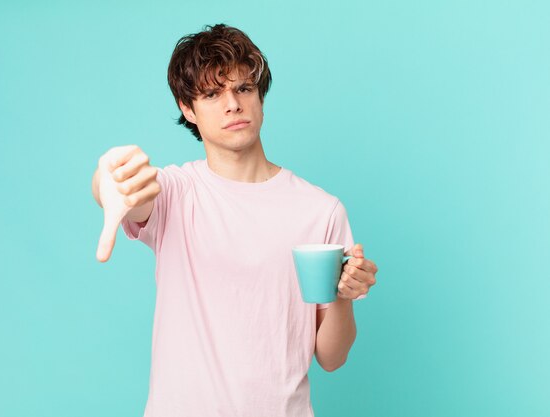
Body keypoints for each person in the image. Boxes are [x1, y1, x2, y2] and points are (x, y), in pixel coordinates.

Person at [91, 23, 378, 417]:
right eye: (212, 94)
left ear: (259, 97)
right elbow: (128, 191)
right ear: (187, 109)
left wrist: (343, 299)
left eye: (243, 88)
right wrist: (108, 178)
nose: (232, 104)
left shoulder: (319, 210)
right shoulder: (175, 193)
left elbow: (332, 357)